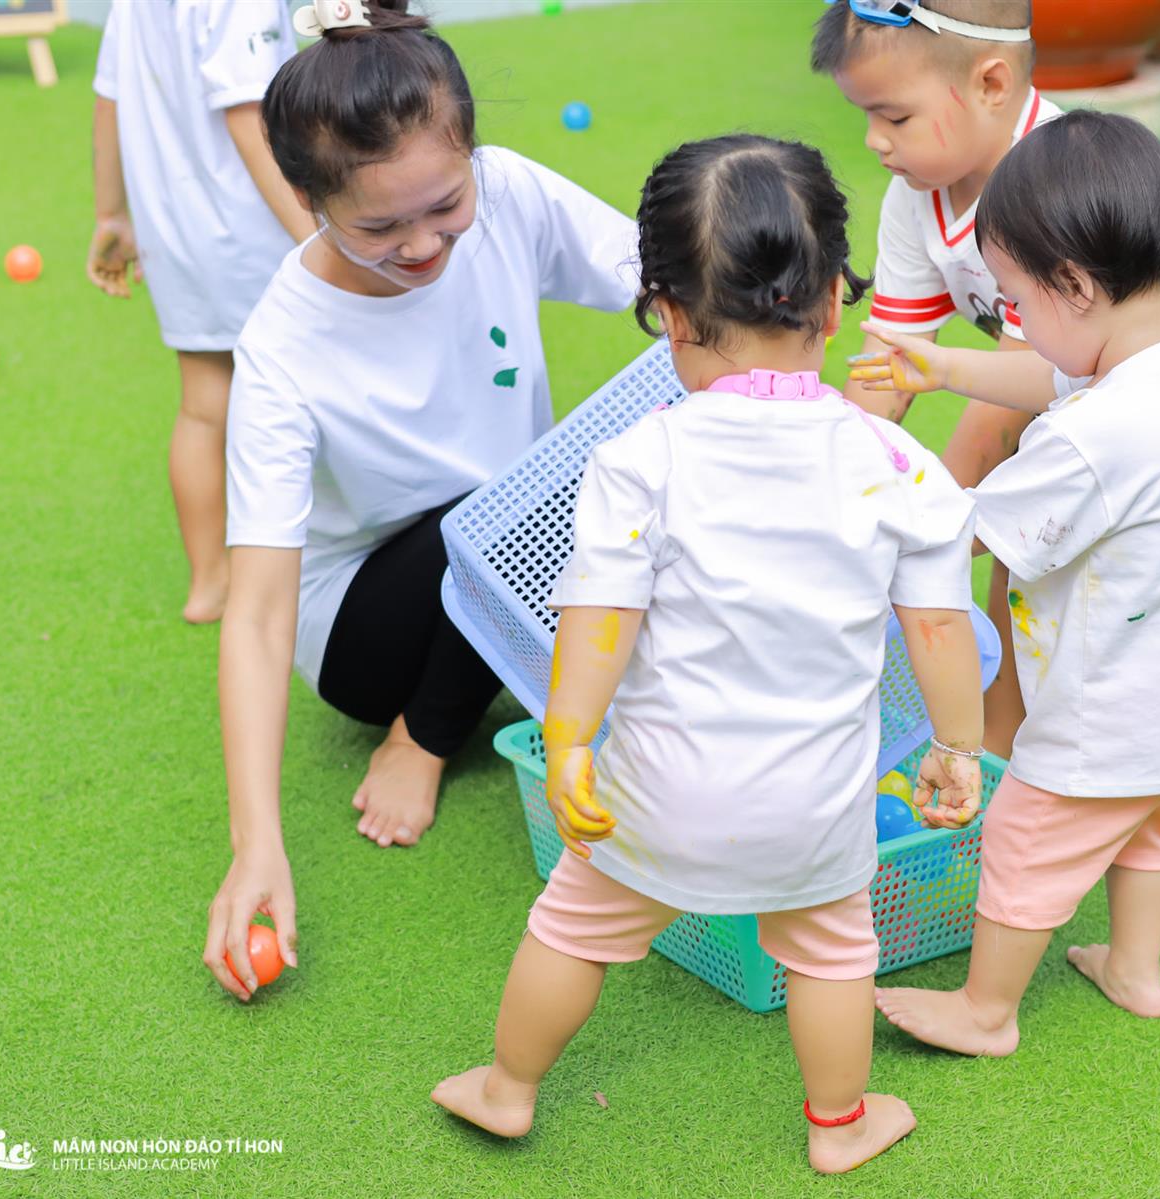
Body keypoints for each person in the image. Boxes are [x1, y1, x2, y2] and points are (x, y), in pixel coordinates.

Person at [431, 134, 986, 1175]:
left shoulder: (642, 458)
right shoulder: (899, 466)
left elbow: (598, 619)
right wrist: (956, 745)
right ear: (833, 305)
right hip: (813, 807)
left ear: (670, 314)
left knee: (573, 927)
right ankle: (839, 1123)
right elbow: (940, 629)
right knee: (832, 952)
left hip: (652, 798)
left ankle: (507, 1087)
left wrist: (568, 743)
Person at [202, 0, 638, 1000]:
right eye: (378, 226)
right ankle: (425, 734)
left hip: (521, 552)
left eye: (445, 204)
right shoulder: (281, 348)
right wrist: (255, 844)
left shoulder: (511, 193)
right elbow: (258, 615)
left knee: (565, 485)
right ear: (307, 200)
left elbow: (660, 282)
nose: (423, 244)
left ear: (472, 157)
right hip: (368, 632)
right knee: (529, 496)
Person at [866, 112, 1160, 1056]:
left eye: (1014, 301)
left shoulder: (1092, 440)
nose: (1013, 322)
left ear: (1075, 286)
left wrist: (872, 494)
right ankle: (1134, 969)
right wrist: (946, 366)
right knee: (1148, 823)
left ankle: (985, 1011)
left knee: (1024, 840)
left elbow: (962, 529)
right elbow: (1057, 378)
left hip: (1105, 710)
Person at [812, 0, 1160, 757]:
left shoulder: (1049, 195)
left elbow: (999, 421)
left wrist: (913, 534)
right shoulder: (916, 196)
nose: (875, 140)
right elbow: (890, 362)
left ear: (993, 83)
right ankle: (1010, 731)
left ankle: (1040, 743)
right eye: (865, 115)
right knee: (1034, 527)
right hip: (1066, 349)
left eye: (894, 116)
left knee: (1086, 545)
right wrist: (830, 471)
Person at [88, 0, 315, 624]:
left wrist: (111, 215)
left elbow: (109, 99)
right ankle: (307, 565)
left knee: (202, 406)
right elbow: (247, 115)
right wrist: (316, 238)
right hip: (252, 233)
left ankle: (210, 581)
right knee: (305, 394)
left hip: (172, 231)